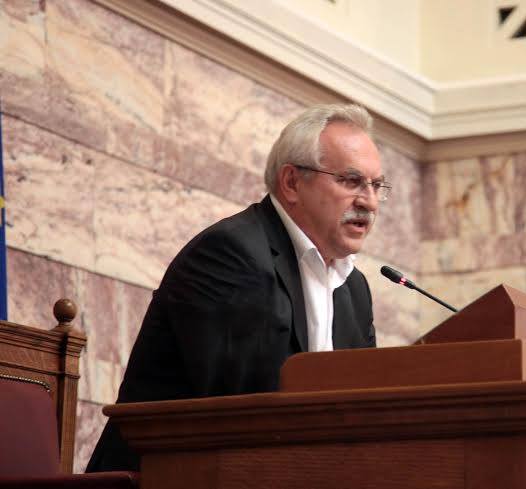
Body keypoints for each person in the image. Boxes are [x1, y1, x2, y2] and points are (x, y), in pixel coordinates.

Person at [86, 104, 387, 472]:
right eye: (351, 181)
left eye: (376, 186)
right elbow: (245, 411)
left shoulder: (354, 290)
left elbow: (363, 412)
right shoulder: (232, 255)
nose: (369, 201)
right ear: (292, 183)